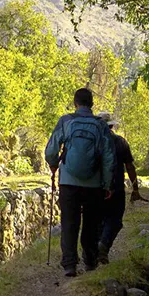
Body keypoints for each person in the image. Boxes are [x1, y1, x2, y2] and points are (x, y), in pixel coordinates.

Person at [44, 88, 115, 277]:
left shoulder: (66, 121)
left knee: (69, 222)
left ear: (75, 103)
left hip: (68, 182)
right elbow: (109, 157)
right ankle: (90, 261)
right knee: (91, 223)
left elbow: (51, 150)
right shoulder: (100, 126)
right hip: (94, 184)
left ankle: (69, 265)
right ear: (92, 104)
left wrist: (53, 166)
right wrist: (107, 184)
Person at [96, 112, 143, 264]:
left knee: (98, 219)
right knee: (115, 220)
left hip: (95, 187)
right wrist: (135, 188)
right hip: (115, 187)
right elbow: (130, 167)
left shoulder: (92, 142)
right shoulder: (120, 142)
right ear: (111, 125)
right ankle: (103, 247)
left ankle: (95, 250)